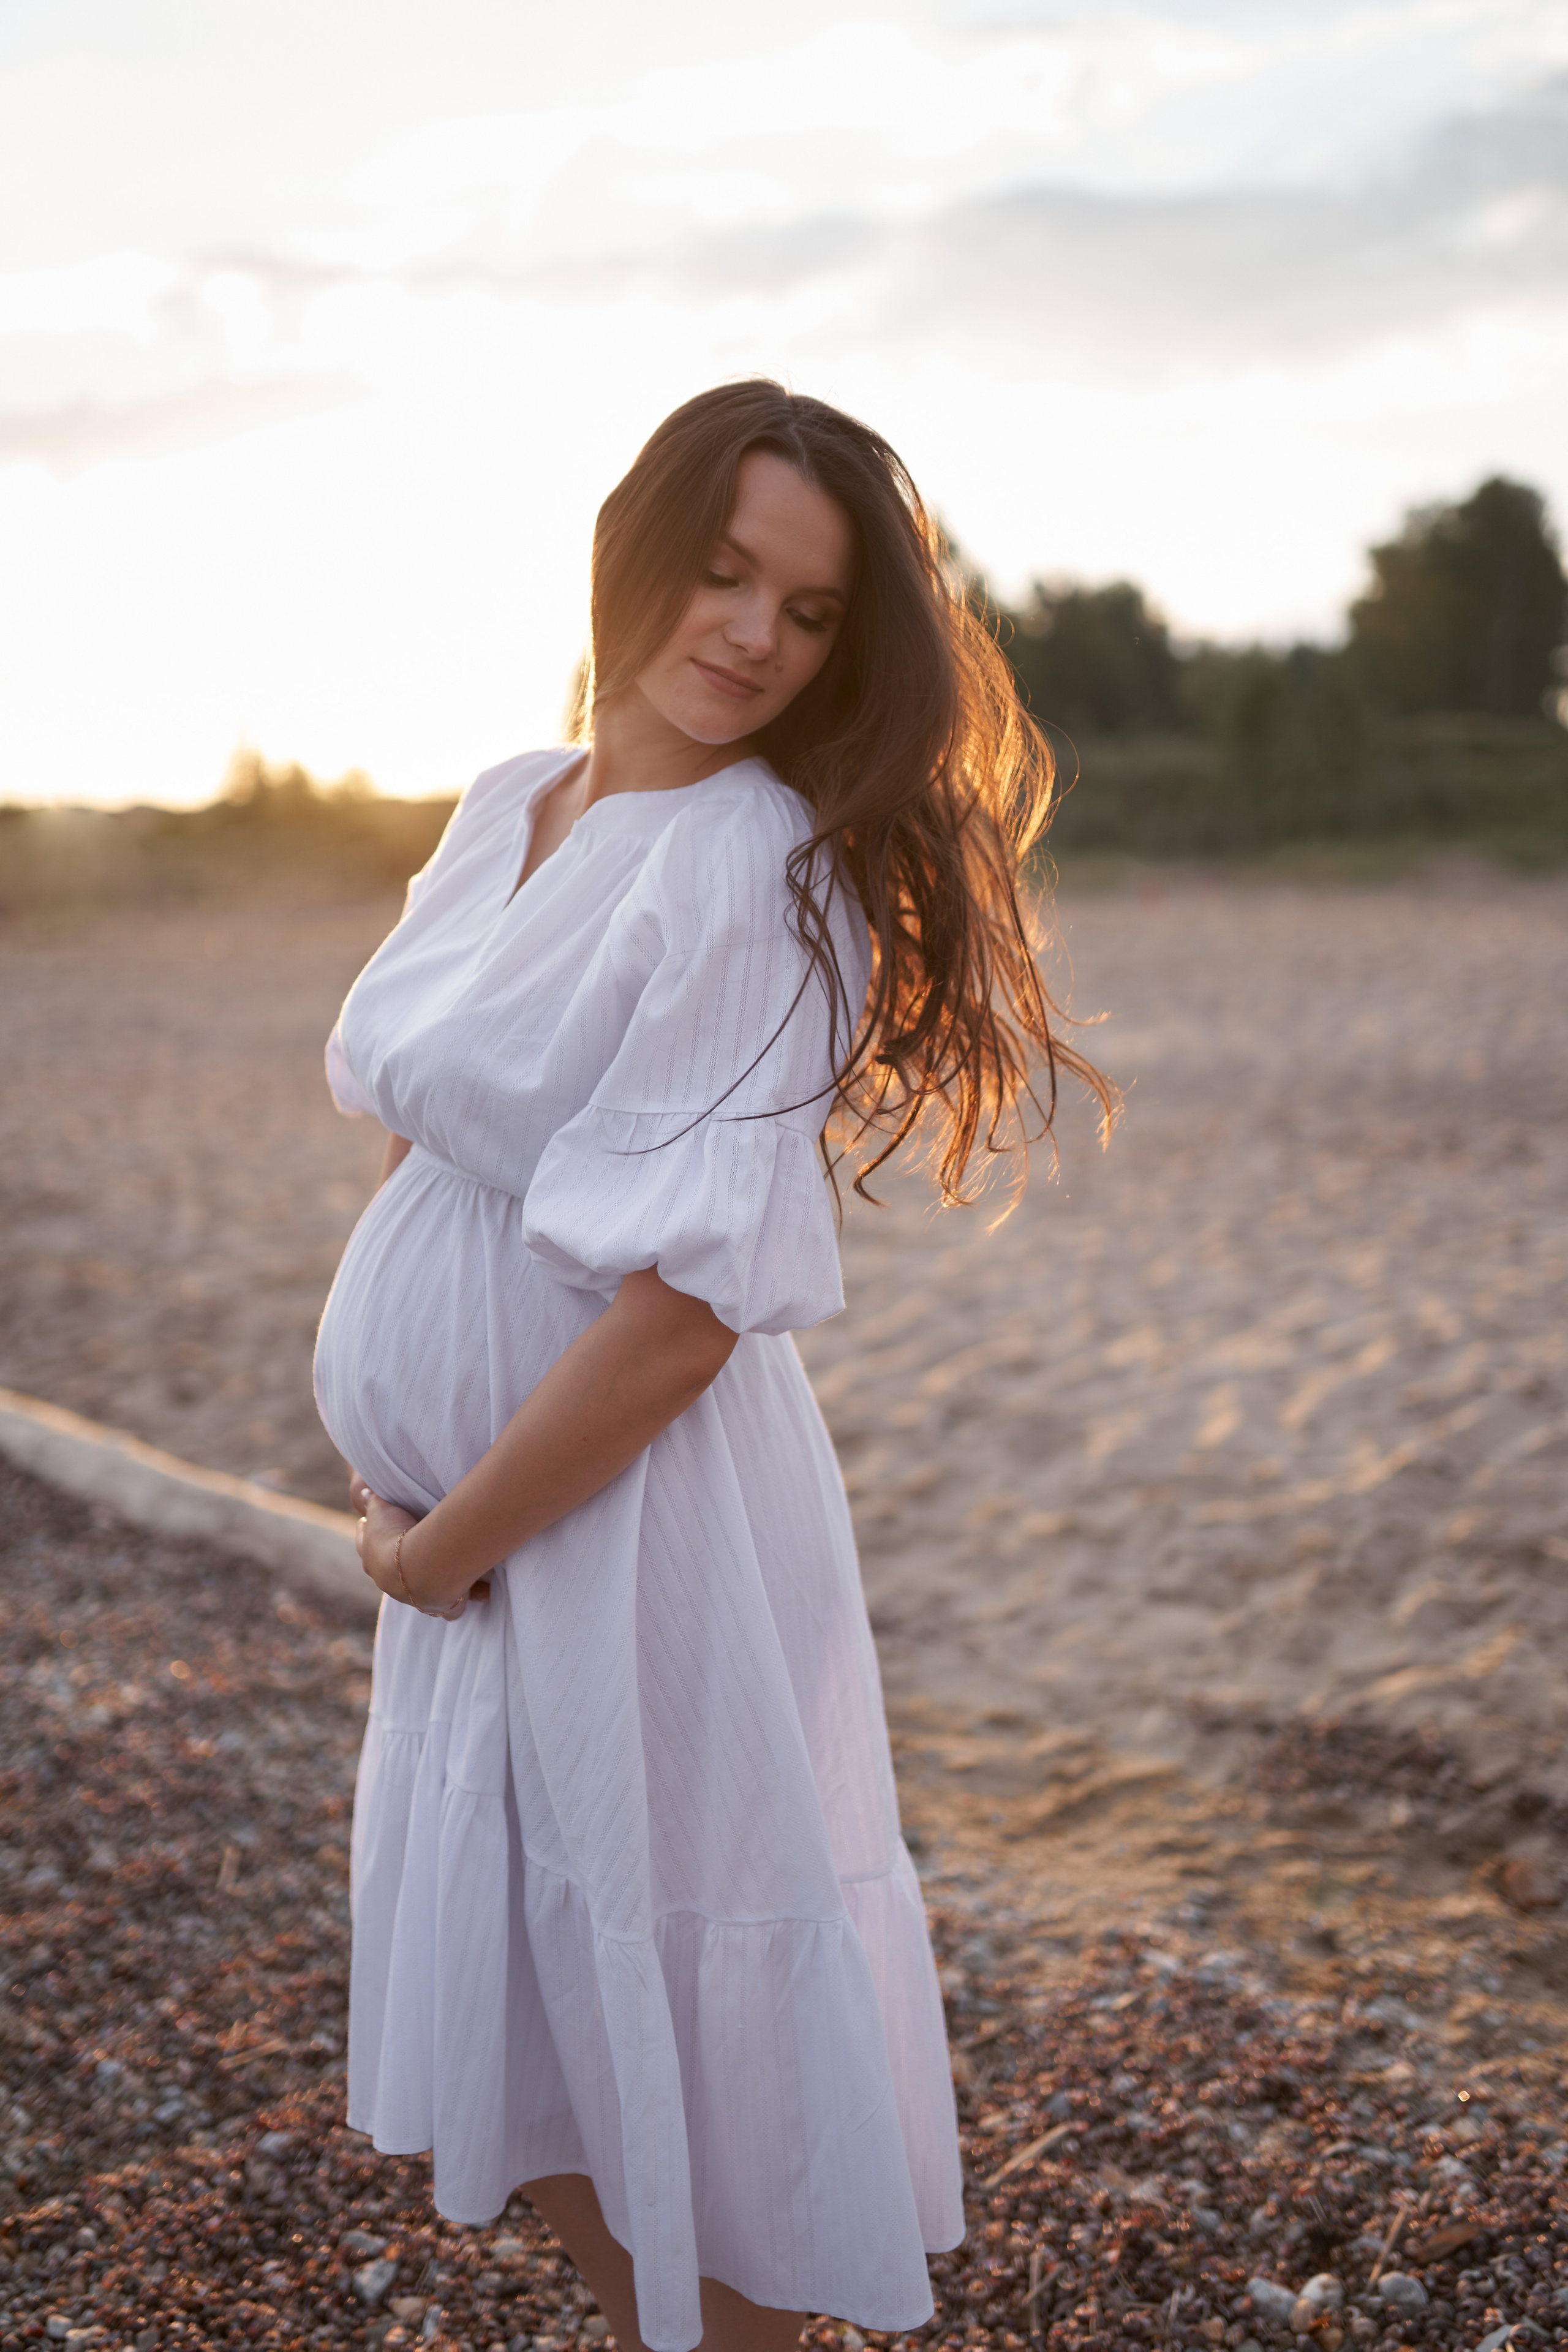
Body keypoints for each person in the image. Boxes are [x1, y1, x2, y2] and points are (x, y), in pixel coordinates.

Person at [314, 380, 1114, 2352]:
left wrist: (445, 1539)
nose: (755, 631)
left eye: (815, 610)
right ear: (634, 546)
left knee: (660, 2020)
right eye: (726, 569)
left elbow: (678, 1323)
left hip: (613, 1521)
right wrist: (396, 1428)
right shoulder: (516, 798)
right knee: (550, 2015)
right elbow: (435, 1123)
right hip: (491, 1526)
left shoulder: (758, 864)